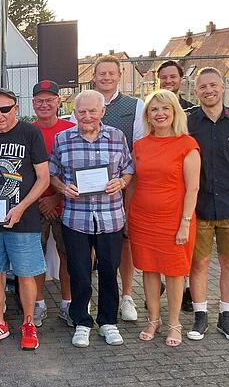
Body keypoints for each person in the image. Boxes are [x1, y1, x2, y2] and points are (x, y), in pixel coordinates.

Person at [49, 90, 134, 348]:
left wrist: (121, 182)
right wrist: (63, 188)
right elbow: (52, 173)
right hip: (77, 218)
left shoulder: (117, 137)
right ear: (74, 114)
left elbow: (129, 169)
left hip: (110, 217)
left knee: (109, 271)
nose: (87, 116)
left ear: (102, 112)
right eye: (82, 112)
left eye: (92, 111)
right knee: (79, 272)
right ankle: (82, 322)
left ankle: (108, 322)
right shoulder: (63, 139)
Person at [0, 89, 49, 351]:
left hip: (22, 220)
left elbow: (43, 178)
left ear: (16, 108)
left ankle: (28, 324)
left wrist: (22, 207)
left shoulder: (30, 133)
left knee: (26, 276)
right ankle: (0, 323)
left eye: (5, 109)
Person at [187, 67, 229, 342]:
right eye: (203, 87)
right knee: (199, 264)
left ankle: (226, 319)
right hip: (200, 207)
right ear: (196, 91)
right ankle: (200, 317)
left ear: (223, 86)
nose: (209, 91)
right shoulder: (189, 122)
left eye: (213, 85)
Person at [73, 54, 145, 322]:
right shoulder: (83, 103)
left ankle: (126, 295)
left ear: (119, 76)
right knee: (90, 245)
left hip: (121, 184)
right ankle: (89, 301)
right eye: (101, 73)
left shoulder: (135, 105)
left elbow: (136, 151)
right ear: (94, 76)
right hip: (88, 193)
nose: (106, 77)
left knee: (123, 243)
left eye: (111, 73)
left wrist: (125, 181)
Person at [127, 90, 200, 347]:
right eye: (154, 109)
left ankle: (174, 324)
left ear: (174, 113)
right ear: (148, 115)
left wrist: (185, 222)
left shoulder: (187, 145)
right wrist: (127, 215)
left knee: (174, 273)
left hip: (174, 221)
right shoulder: (140, 145)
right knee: (148, 269)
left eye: (165, 109)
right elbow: (134, 183)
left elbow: (192, 188)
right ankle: (153, 319)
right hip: (142, 218)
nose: (160, 114)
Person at [30, 80, 75, 327]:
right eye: (39, 100)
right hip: (36, 206)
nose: (44, 104)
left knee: (68, 256)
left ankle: (68, 304)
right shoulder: (27, 131)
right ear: (33, 103)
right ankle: (38, 304)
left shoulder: (71, 130)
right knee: (35, 256)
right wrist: (38, 199)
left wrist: (56, 197)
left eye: (49, 100)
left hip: (67, 204)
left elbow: (77, 170)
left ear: (58, 102)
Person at [157, 60, 195, 312]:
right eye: (164, 77)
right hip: (158, 196)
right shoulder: (151, 110)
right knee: (160, 252)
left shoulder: (192, 112)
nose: (168, 81)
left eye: (173, 77)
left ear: (181, 79)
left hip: (184, 193)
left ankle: (186, 292)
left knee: (182, 252)